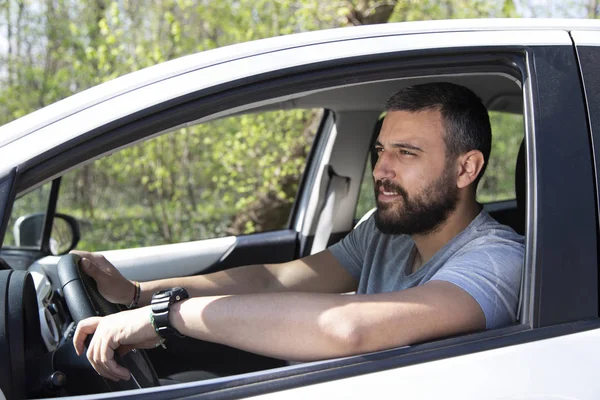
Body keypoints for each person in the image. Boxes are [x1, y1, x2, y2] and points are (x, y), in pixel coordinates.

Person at [72, 82, 524, 383]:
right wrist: (137, 294)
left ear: (467, 168)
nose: (381, 170)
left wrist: (165, 317)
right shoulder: (387, 233)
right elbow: (275, 280)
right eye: (380, 150)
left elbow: (348, 330)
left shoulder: (499, 262)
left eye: (406, 153)